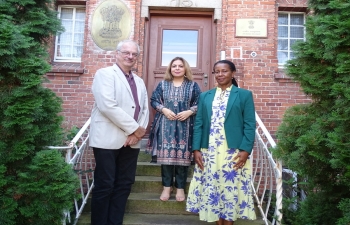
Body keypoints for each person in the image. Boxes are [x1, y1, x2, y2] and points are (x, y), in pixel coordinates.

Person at [186, 60, 256, 225]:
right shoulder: (205, 96)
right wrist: (196, 149)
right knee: (214, 188)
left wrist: (246, 149)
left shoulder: (244, 95)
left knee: (230, 187)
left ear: (232, 73)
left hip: (233, 151)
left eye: (224, 71)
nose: (220, 74)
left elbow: (249, 124)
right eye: (217, 71)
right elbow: (199, 124)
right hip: (209, 150)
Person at [89, 40, 149, 225]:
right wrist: (134, 129)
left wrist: (137, 134)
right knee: (105, 185)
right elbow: (107, 106)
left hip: (132, 142)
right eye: (126, 52)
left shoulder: (139, 81)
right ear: (117, 54)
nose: (130, 56)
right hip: (107, 139)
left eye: (134, 54)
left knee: (124, 184)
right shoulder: (105, 74)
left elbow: (144, 109)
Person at [146, 57, 201, 202]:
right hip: (166, 126)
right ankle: (167, 187)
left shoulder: (193, 86)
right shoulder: (163, 85)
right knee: (167, 158)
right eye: (174, 66)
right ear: (170, 69)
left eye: (180, 66)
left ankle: (180, 188)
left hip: (186, 126)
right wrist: (163, 109)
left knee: (183, 157)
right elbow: (154, 100)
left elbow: (200, 102)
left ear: (185, 69)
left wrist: (190, 111)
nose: (177, 68)